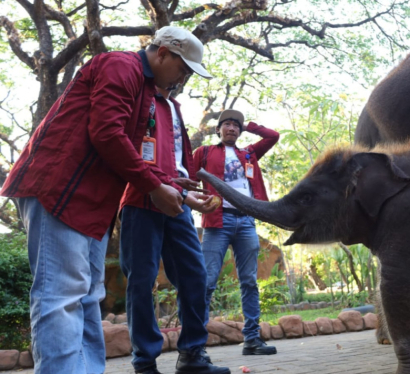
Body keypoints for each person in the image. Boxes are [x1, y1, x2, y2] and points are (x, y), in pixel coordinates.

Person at [0, 25, 211, 374]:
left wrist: (179, 191)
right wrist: (154, 188)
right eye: (183, 68)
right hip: (60, 188)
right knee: (62, 295)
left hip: (94, 202)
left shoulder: (145, 90)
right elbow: (106, 133)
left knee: (87, 298)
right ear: (163, 53)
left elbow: (133, 155)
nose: (183, 77)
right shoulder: (120, 66)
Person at [119, 80, 230, 374]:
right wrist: (169, 188)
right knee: (141, 281)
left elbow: (175, 164)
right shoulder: (137, 97)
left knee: (195, 276)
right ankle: (145, 363)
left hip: (178, 204)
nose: (183, 76)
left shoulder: (175, 107)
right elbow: (125, 149)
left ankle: (193, 355)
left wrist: (189, 194)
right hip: (140, 199)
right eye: (181, 66)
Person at [192, 109, 279, 355]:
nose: (231, 128)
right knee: (207, 281)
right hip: (217, 222)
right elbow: (186, 177)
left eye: (235, 126)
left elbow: (273, 136)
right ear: (218, 129)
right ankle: (195, 346)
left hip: (246, 222)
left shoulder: (249, 153)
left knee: (249, 281)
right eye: (227, 124)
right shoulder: (205, 152)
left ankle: (252, 340)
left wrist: (249, 125)